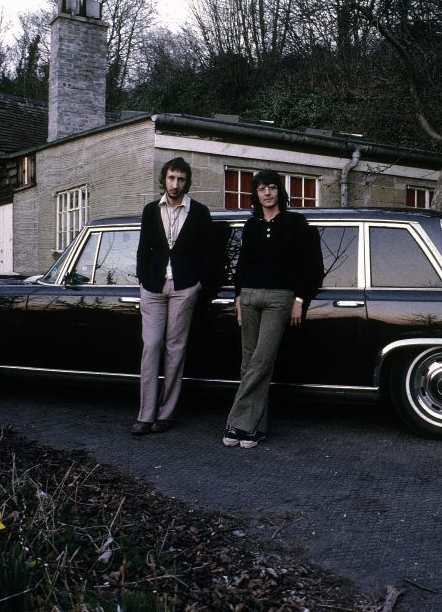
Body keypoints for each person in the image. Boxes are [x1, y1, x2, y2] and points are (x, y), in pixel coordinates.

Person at [223, 169, 323, 448]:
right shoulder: (251, 225)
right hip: (250, 297)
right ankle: (255, 428)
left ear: (279, 191)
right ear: (255, 194)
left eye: (271, 187)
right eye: (261, 188)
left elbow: (312, 267)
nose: (267, 193)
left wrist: (300, 299)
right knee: (248, 363)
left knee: (261, 361)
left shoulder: (296, 222)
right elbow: (241, 267)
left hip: (280, 298)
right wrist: (238, 299)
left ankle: (236, 423)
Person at [133, 157, 212, 436]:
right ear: (163, 180)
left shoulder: (200, 212)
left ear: (186, 181)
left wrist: (198, 284)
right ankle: (145, 414)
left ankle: (165, 415)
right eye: (170, 178)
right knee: (151, 347)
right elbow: (143, 249)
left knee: (174, 350)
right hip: (153, 287)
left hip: (184, 287)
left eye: (180, 179)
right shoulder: (150, 210)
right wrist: (143, 278)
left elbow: (208, 254)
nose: (175, 184)